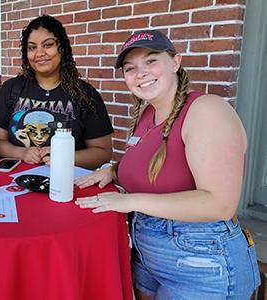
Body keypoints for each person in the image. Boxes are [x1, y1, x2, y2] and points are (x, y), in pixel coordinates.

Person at [75, 30, 260, 299]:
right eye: (130, 68)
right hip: (147, 255)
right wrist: (113, 171)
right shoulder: (148, 112)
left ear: (176, 62)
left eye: (151, 61)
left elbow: (219, 204)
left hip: (203, 261)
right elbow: (158, 167)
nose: (141, 73)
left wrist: (129, 202)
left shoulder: (206, 109)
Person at [0, 15, 113, 170]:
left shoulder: (85, 94)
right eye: (32, 47)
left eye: (47, 45)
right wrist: (22, 153)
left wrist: (63, 156)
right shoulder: (11, 89)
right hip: (17, 182)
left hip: (68, 182)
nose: (39, 53)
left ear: (62, 48)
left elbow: (103, 152)